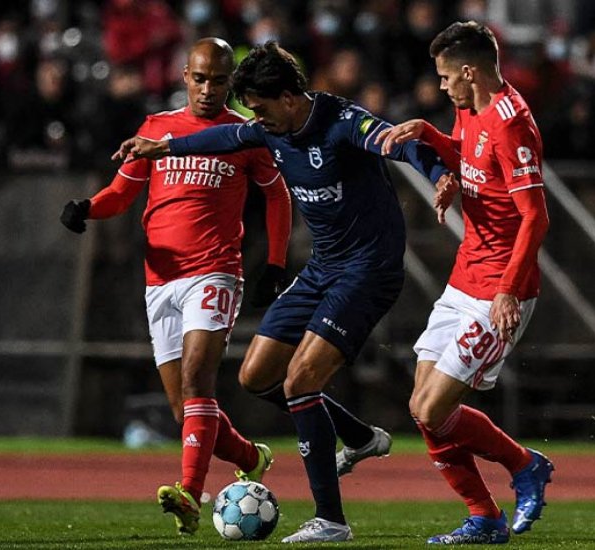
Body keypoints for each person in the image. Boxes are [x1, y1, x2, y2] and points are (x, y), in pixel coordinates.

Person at [114, 41, 455, 543]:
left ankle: (331, 521)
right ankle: (359, 438)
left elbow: (401, 142)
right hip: (323, 268)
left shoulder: (342, 122)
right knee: (257, 376)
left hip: (367, 270)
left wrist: (440, 174)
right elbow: (226, 137)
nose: (258, 118)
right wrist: (160, 147)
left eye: (264, 108)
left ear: (292, 98)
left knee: (299, 383)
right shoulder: (268, 128)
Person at [61, 37, 291, 536]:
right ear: (184, 76)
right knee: (181, 407)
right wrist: (87, 208)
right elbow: (122, 193)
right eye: (201, 78)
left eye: (220, 80)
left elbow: (278, 197)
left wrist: (274, 263)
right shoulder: (156, 129)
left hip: (215, 270)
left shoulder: (246, 134)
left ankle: (189, 493)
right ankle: (252, 456)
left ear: (233, 82)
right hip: (159, 279)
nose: (209, 89)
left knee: (195, 384)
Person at [375, 21, 553, 544]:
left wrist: (507, 290)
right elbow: (472, 157)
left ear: (470, 73)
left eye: (447, 77)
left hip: (501, 287)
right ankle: (484, 517)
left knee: (434, 408)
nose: (442, 86)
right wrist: (432, 142)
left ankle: (525, 466)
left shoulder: (513, 123)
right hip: (463, 277)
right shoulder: (469, 108)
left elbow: (535, 217)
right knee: (421, 408)